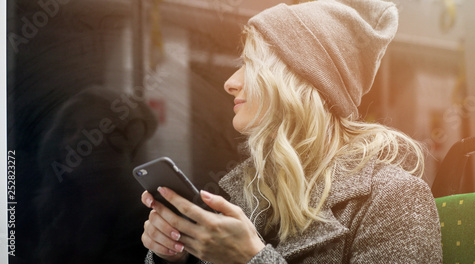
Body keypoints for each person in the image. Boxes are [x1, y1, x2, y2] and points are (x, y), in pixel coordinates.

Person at [141, 0, 443, 263]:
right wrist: (177, 256)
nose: (230, 83)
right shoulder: (245, 194)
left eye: (250, 64)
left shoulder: (395, 198)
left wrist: (251, 259)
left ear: (297, 80)